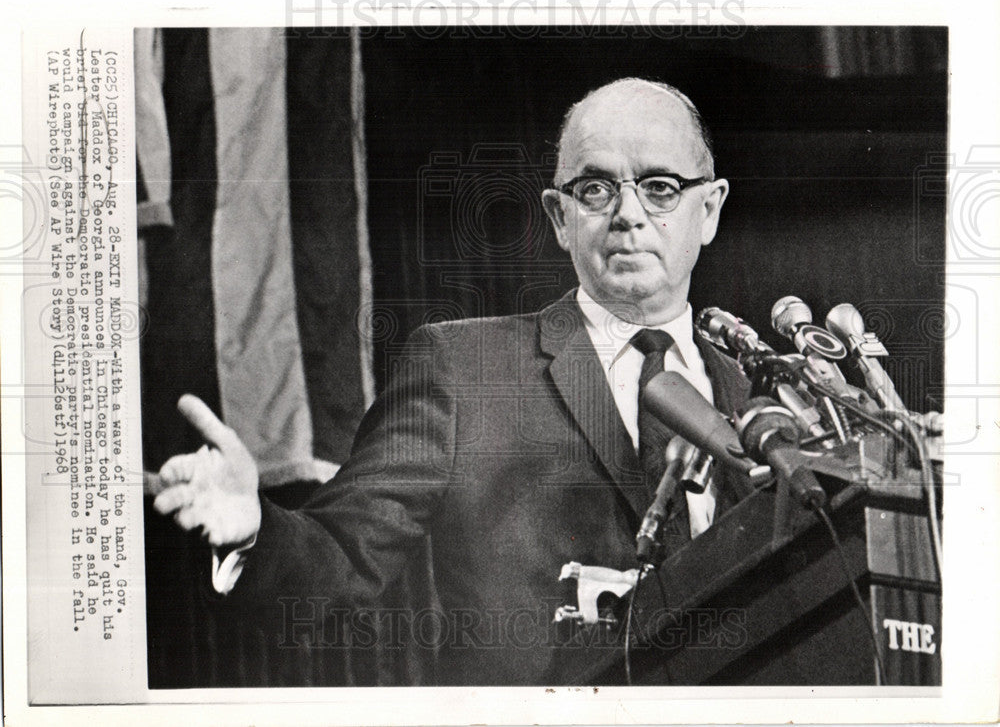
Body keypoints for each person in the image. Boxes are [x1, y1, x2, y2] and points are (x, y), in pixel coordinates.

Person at [153, 77, 752, 685]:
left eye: (660, 188)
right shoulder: (463, 369)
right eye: (595, 189)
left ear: (708, 210)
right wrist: (254, 530)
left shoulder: (754, 404)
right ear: (559, 217)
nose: (629, 215)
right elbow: (343, 555)